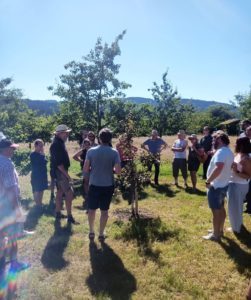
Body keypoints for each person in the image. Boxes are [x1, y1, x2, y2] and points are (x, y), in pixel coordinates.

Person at [83, 128, 121, 242]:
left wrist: (93, 170)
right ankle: (101, 234)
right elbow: (118, 171)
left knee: (92, 209)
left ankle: (91, 231)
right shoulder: (114, 152)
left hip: (94, 184)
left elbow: (85, 169)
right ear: (110, 139)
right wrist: (111, 169)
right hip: (108, 185)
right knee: (104, 211)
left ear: (99, 138)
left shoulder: (91, 151)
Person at [0, 138, 30, 272]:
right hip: (7, 205)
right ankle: (14, 263)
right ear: (5, 149)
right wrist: (17, 208)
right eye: (12, 148)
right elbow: (10, 187)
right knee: (12, 235)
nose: (13, 150)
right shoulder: (6, 164)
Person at [203, 130, 234, 241]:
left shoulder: (221, 152)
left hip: (215, 186)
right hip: (223, 184)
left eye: (214, 139)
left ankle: (216, 235)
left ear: (219, 139)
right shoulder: (228, 151)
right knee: (220, 208)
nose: (212, 141)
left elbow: (219, 167)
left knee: (216, 211)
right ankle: (219, 230)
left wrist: (208, 181)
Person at [50, 124, 77, 224]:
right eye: (66, 133)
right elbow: (59, 164)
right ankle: (69, 217)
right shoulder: (57, 144)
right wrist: (68, 176)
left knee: (60, 192)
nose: (67, 134)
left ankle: (58, 213)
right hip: (60, 172)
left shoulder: (59, 143)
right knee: (69, 193)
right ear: (60, 133)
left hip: (59, 172)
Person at [227, 137, 251, 233]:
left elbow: (248, 175)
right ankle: (237, 225)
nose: (234, 145)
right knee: (233, 206)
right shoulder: (238, 155)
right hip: (233, 184)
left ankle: (236, 228)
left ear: (241, 145)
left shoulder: (246, 159)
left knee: (236, 208)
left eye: (236, 143)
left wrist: (236, 171)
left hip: (240, 185)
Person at [73, 138, 91, 206]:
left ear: (89, 144)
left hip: (92, 169)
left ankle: (90, 196)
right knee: (86, 183)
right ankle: (87, 197)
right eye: (85, 144)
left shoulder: (92, 150)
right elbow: (74, 157)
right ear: (83, 144)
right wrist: (81, 161)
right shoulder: (82, 151)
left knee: (90, 183)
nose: (86, 145)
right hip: (85, 168)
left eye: (88, 144)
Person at [30, 139, 48, 208]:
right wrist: (43, 155)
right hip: (36, 176)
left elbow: (45, 162)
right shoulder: (33, 155)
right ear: (35, 146)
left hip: (42, 175)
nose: (42, 147)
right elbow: (39, 163)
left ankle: (40, 203)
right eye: (40, 146)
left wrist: (43, 155)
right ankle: (37, 205)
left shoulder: (41, 154)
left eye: (42, 146)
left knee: (41, 189)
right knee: (36, 190)